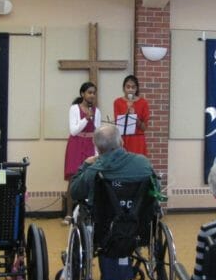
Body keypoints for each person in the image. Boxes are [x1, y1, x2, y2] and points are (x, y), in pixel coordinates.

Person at [69, 124, 157, 207]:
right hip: (140, 221)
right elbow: (156, 190)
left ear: (97, 148)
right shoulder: (143, 163)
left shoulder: (93, 171)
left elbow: (74, 192)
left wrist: (86, 165)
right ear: (121, 142)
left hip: (104, 221)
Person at [63, 81, 101, 222]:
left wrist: (97, 153)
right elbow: (74, 130)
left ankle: (88, 212)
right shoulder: (74, 108)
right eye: (89, 92)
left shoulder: (97, 111)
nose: (92, 95)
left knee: (91, 178)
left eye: (94, 93)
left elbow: (97, 131)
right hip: (76, 144)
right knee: (73, 178)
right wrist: (86, 118)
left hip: (90, 145)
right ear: (82, 94)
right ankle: (68, 214)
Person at [113, 74, 150, 156]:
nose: (130, 90)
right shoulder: (117, 102)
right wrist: (127, 113)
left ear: (136, 89)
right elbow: (118, 123)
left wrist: (134, 117)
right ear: (123, 88)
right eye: (128, 87)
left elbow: (144, 127)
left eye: (133, 87)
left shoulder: (143, 103)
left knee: (138, 164)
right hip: (124, 139)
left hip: (138, 139)